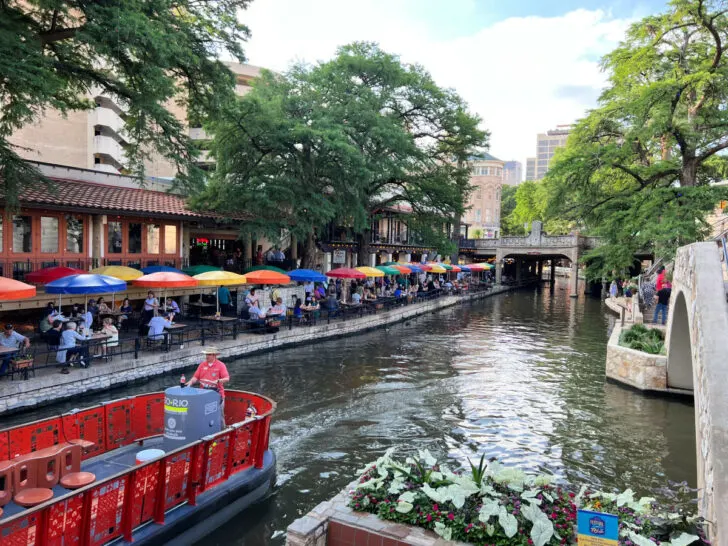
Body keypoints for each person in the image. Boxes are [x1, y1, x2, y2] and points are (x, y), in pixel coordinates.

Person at [185, 347, 230, 426]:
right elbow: (196, 377)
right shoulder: (202, 365)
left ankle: (223, 433)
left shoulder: (221, 365)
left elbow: (227, 378)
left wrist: (218, 381)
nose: (207, 356)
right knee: (203, 415)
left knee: (219, 416)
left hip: (217, 395)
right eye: (206, 354)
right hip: (203, 395)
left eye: (209, 354)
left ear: (214, 355)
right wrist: (190, 382)